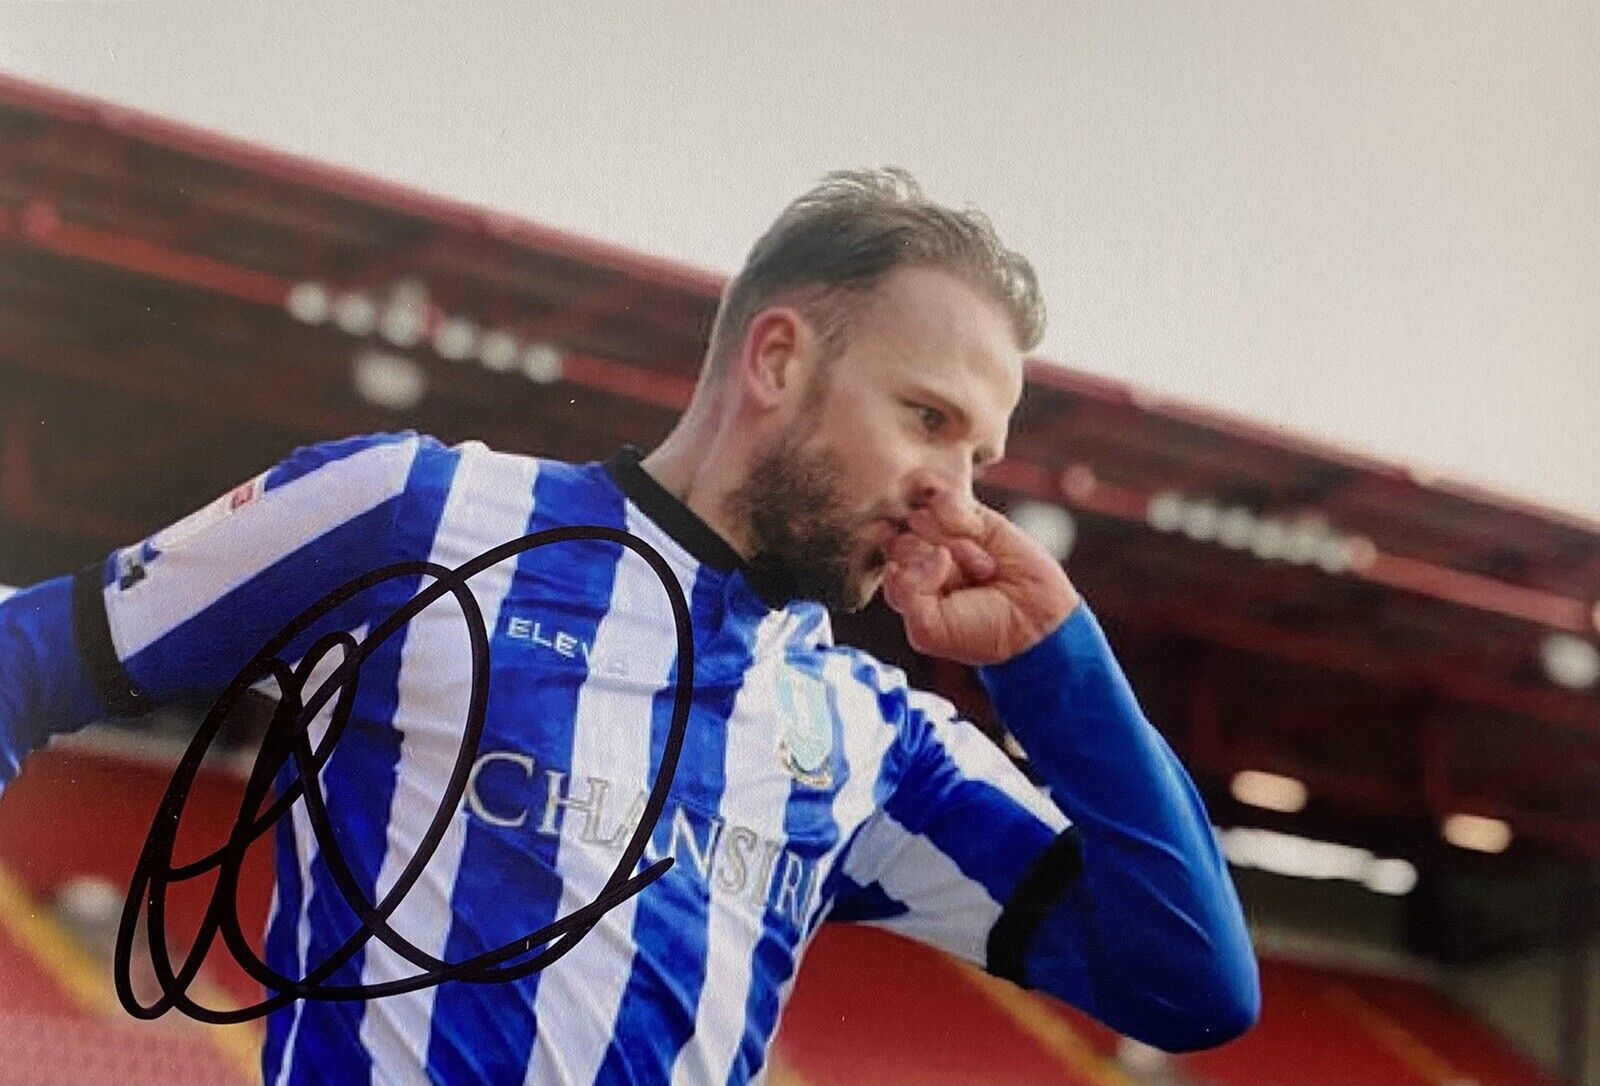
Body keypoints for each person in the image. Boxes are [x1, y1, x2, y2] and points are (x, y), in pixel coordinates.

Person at [0, 167, 1258, 1084]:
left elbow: (1190, 984)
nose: (955, 498)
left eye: (980, 458)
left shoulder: (875, 742)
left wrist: (1057, 664)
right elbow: (28, 662)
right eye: (928, 421)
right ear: (776, 360)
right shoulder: (415, 516)